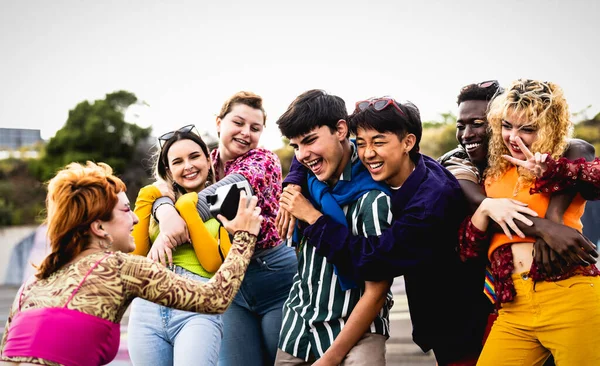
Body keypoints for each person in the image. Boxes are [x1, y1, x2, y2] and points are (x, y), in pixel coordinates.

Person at [281, 96, 490, 365]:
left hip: (461, 318)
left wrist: (313, 218)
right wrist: (295, 181)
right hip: (431, 314)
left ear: (408, 142)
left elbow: (372, 261)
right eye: (363, 142)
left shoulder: (431, 202)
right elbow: (315, 141)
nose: (367, 152)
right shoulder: (383, 167)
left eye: (378, 142)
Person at [0, 161, 262, 366]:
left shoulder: (31, 286)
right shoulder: (118, 267)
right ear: (99, 227)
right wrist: (245, 236)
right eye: (126, 211)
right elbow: (215, 298)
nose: (136, 221)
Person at [151, 91, 298, 366]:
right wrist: (162, 207)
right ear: (219, 122)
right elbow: (163, 187)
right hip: (227, 281)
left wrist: (169, 220)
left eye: (255, 128)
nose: (246, 133)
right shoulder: (203, 161)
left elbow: (214, 201)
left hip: (274, 278)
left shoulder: (262, 161)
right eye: (238, 123)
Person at [460, 79, 600, 365]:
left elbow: (593, 176)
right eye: (507, 125)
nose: (514, 137)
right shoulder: (491, 174)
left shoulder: (563, 167)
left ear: (549, 129)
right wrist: (486, 210)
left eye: (528, 129)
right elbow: (468, 246)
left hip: (569, 294)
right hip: (514, 307)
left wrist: (552, 170)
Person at [273, 90, 394, 365]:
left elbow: (377, 290)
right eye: (295, 146)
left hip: (358, 330)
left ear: (341, 130)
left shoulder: (373, 198)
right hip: (300, 324)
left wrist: (331, 358)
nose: (303, 155)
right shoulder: (304, 186)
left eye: (310, 141)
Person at [439, 80, 597, 278]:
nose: (467, 135)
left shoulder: (551, 163)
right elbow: (477, 209)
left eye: (478, 124)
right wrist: (547, 229)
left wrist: (554, 208)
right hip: (502, 294)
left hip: (566, 286)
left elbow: (581, 149)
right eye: (461, 126)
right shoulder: (460, 161)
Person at [128, 125, 236, 365]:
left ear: (209, 160)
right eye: (178, 161)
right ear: (168, 169)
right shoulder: (156, 201)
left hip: (197, 308)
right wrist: (149, 196)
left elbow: (212, 264)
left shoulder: (226, 202)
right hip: (147, 309)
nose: (187, 166)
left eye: (195, 156)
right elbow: (135, 256)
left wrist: (188, 208)